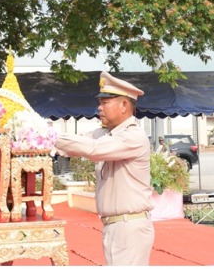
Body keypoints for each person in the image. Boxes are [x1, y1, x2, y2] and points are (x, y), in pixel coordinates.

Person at [55, 72, 154, 265]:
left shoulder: (132, 136)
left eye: (105, 102)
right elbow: (78, 144)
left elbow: (92, 149)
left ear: (124, 105)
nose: (99, 108)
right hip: (115, 225)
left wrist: (48, 136)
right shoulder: (105, 133)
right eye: (100, 102)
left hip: (129, 226)